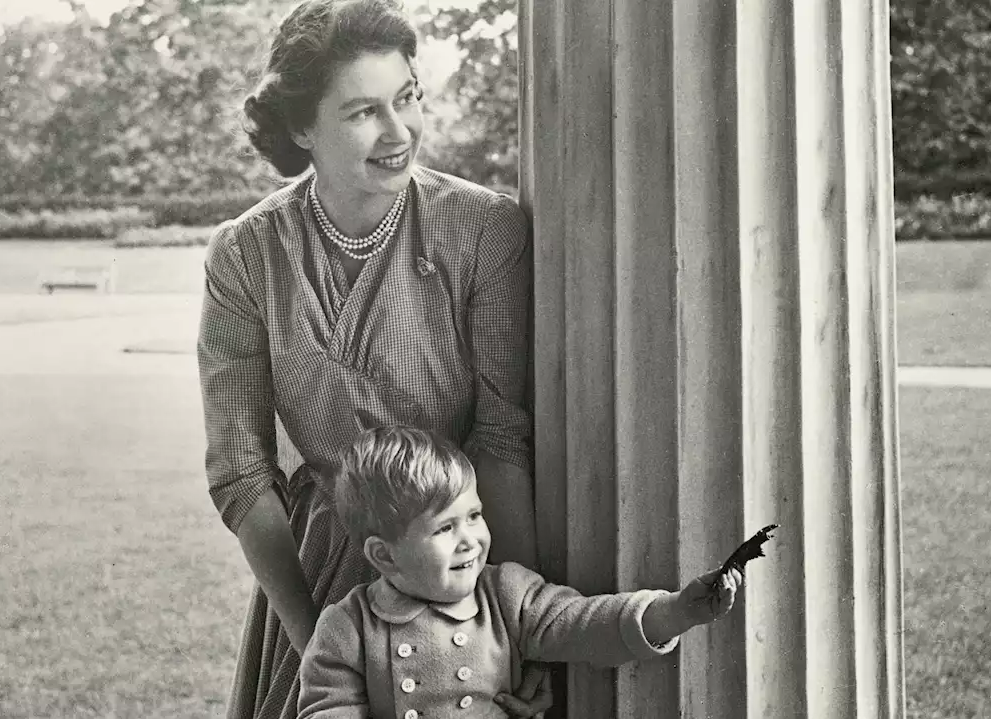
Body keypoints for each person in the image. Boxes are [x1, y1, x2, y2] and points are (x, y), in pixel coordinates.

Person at [197, 1, 547, 716]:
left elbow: (502, 440)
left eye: (408, 98)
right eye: (363, 112)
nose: (399, 133)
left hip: (457, 586)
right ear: (302, 127)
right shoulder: (244, 254)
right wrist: (315, 642)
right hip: (316, 583)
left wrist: (515, 632)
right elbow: (241, 472)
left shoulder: (485, 230)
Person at [297, 427, 744, 718]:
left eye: (474, 516)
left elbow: (589, 623)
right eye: (445, 528)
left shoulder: (505, 594)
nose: (470, 538)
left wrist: (677, 611)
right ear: (385, 556)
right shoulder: (348, 628)